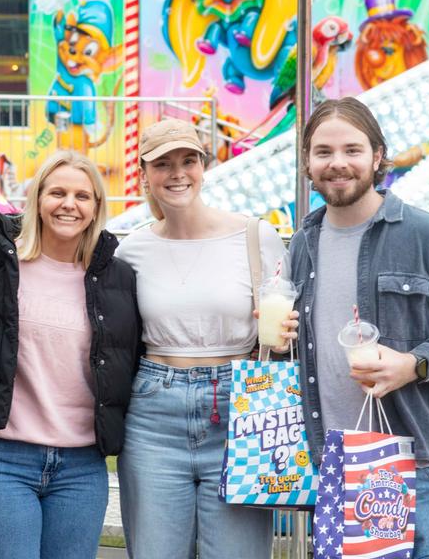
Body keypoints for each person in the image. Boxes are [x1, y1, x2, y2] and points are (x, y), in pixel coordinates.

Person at [289, 97, 429, 559]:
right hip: (329, 464)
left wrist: (413, 364)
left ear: (378, 155)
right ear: (307, 161)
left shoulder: (428, 235)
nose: (337, 163)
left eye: (352, 150)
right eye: (323, 152)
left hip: (412, 458)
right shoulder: (302, 245)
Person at [114, 118, 297, 558]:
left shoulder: (257, 237)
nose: (177, 173)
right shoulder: (130, 250)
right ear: (145, 175)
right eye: (163, 164)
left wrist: (285, 336)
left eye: (188, 160)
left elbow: (284, 328)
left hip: (242, 407)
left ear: (203, 166)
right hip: (154, 412)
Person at [0, 150, 141, 559]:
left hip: (82, 467)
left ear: (97, 206)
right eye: (57, 192)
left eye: (83, 196)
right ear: (37, 198)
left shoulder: (118, 279)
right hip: (2, 459)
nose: (69, 204)